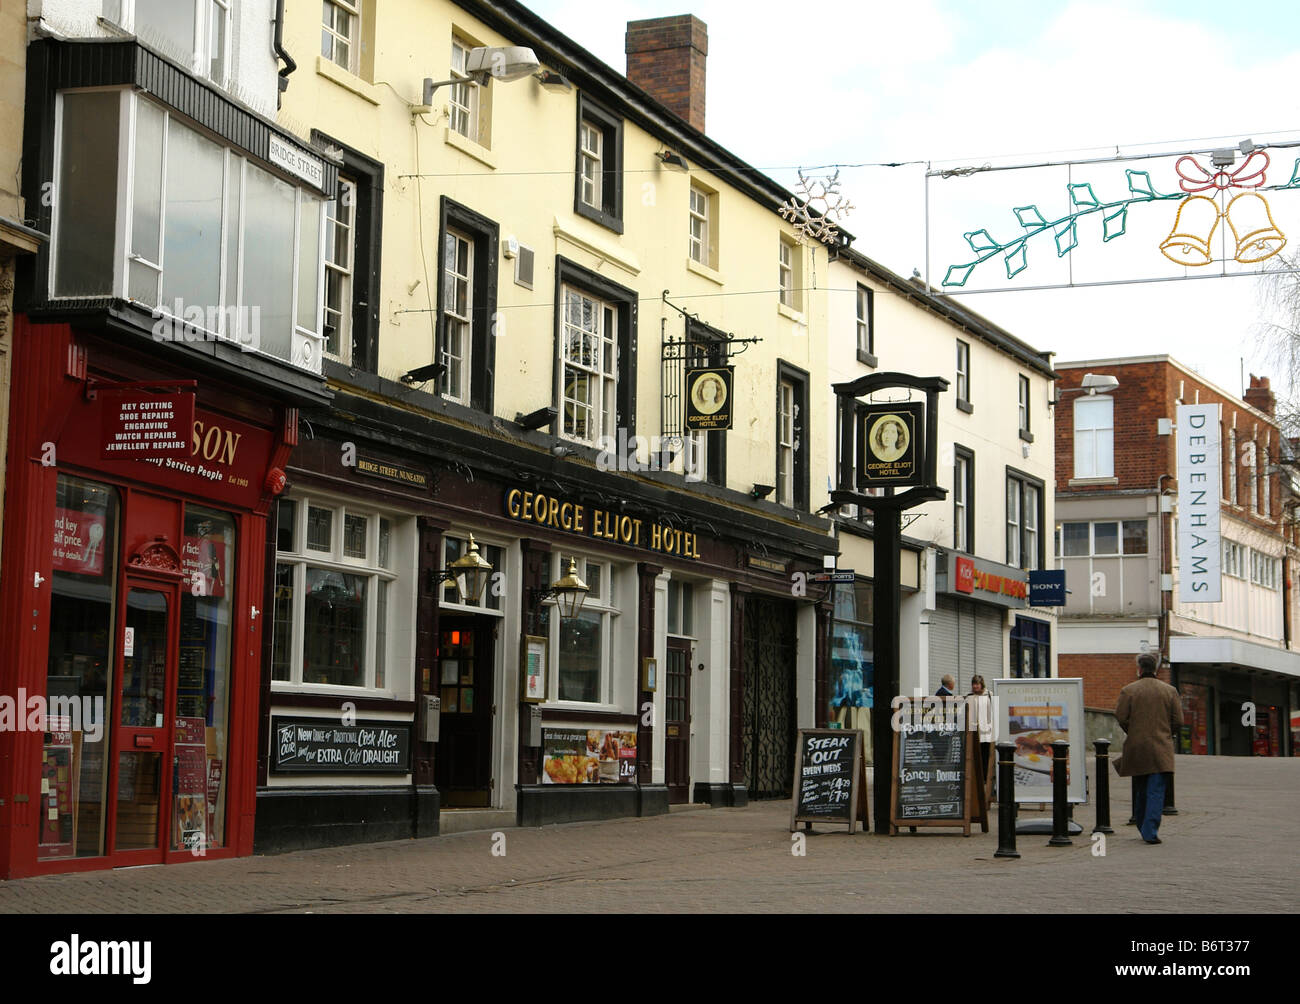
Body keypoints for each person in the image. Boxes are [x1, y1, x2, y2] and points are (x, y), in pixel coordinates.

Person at [1115, 652, 1183, 844]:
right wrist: (1167, 733)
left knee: (1140, 789)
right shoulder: (1169, 691)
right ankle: (1150, 830)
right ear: (1156, 669)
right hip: (1161, 746)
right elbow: (1178, 720)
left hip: (1137, 747)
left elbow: (1121, 716)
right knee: (1156, 790)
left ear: (1139, 668)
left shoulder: (1128, 690)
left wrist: (1133, 730)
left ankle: (1141, 824)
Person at [967, 674, 994, 785]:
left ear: (981, 684)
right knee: (974, 757)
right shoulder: (968, 696)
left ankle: (985, 780)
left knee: (985, 756)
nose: (975, 687)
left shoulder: (989, 696)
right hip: (973, 732)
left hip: (986, 733)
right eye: (973, 684)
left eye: (977, 684)